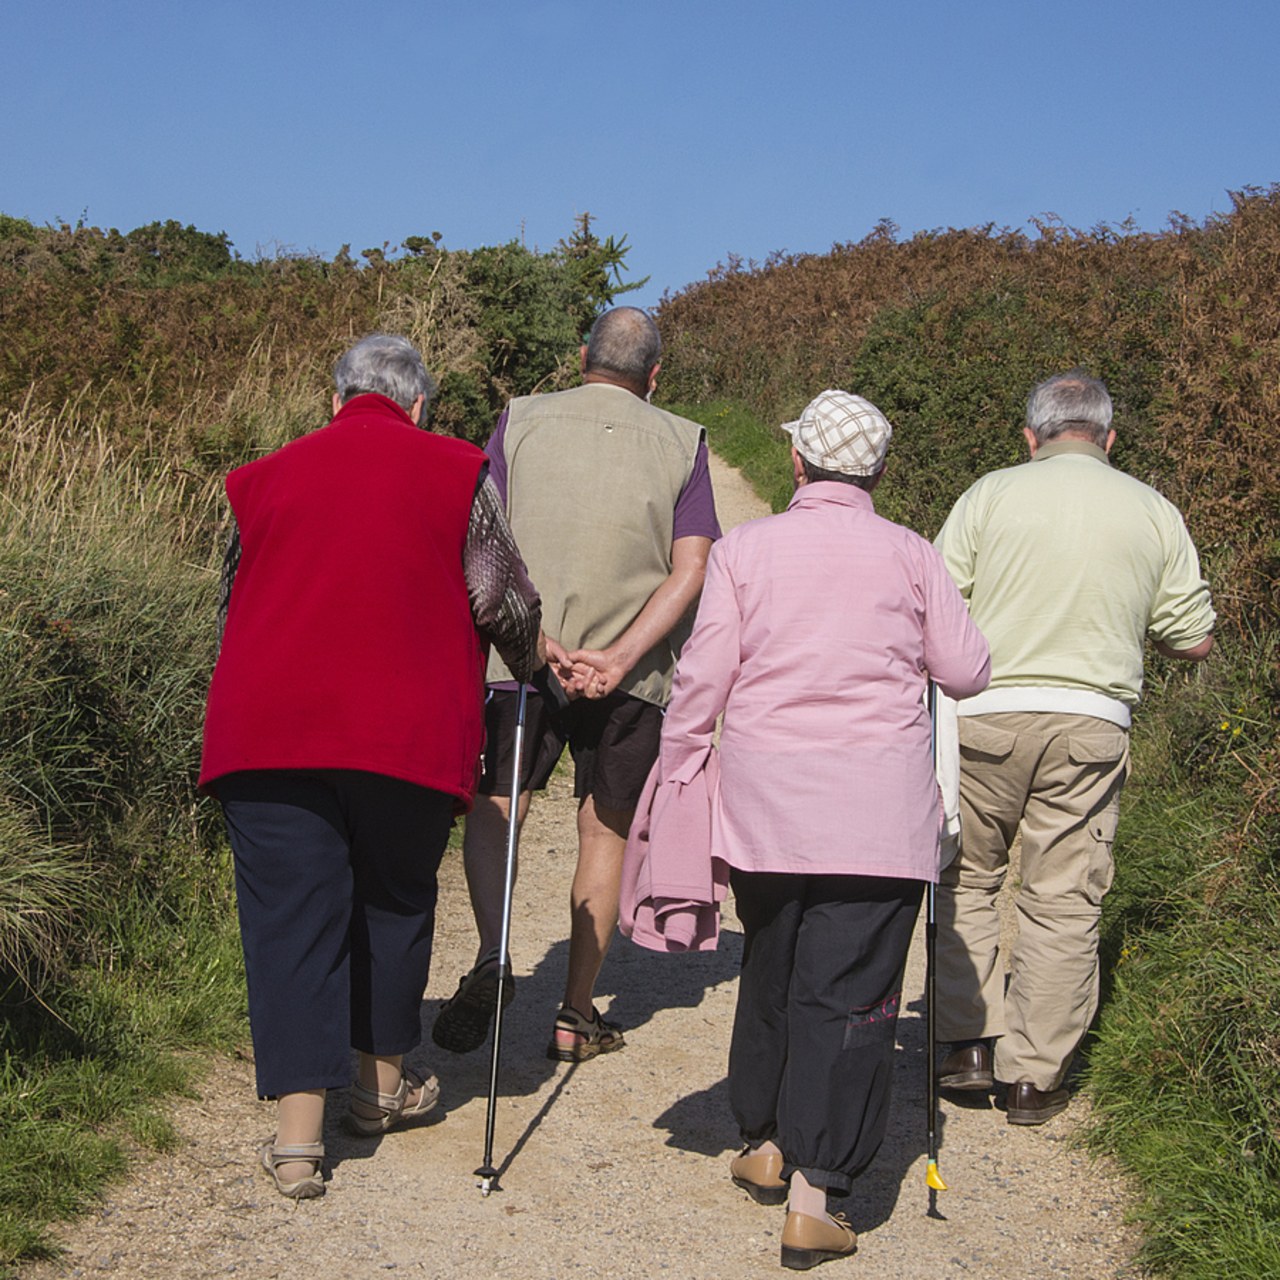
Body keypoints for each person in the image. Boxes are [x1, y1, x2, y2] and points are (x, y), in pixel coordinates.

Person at [199, 334, 546, 1198]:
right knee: (393, 902)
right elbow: (500, 598)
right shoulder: (458, 471)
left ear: (335, 399)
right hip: (406, 735)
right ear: (420, 404)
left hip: (269, 733)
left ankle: (297, 1144)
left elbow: (231, 600)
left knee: (290, 921)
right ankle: (378, 1091)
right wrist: (543, 664)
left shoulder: (261, 477)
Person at [656, 391, 990, 1269]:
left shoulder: (747, 551)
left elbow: (702, 678)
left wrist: (681, 766)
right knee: (848, 989)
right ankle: (816, 1193)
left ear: (798, 463)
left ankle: (764, 1143)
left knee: (772, 964)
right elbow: (966, 670)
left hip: (767, 808)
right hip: (876, 814)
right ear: (878, 471)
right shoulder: (912, 556)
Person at [430, 306, 720, 1063]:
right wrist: (621, 657)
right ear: (656, 376)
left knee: (499, 807)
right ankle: (574, 1012)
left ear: (581, 355)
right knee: (605, 829)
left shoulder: (518, 420)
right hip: (633, 673)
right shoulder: (684, 440)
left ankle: (494, 957)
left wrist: (535, 639)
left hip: (522, 659)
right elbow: (692, 568)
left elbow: (481, 535)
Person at [933, 370, 1216, 1125]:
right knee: (1063, 899)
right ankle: (1034, 1076)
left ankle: (968, 1044)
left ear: (1031, 437)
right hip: (1091, 722)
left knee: (967, 878)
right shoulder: (1154, 510)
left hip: (985, 712)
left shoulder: (989, 494)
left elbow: (933, 600)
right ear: (1109, 438)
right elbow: (1193, 637)